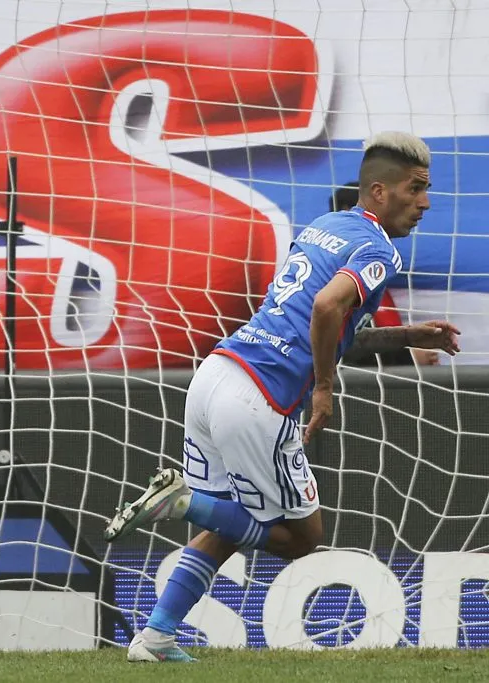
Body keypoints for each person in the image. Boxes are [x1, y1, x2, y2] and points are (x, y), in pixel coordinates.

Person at [104, 132, 460, 663]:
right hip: (260, 398)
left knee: (231, 518)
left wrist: (407, 336)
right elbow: (323, 309)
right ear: (380, 192)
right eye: (417, 188)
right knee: (300, 537)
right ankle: (180, 502)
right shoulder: (378, 250)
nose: (426, 202)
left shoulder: (324, 228)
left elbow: (327, 324)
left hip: (216, 375)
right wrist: (323, 387)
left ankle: (155, 636)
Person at [329, 181, 440, 367]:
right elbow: (342, 344)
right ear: (349, 211)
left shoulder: (373, 266)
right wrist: (409, 359)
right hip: (358, 388)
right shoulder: (337, 276)